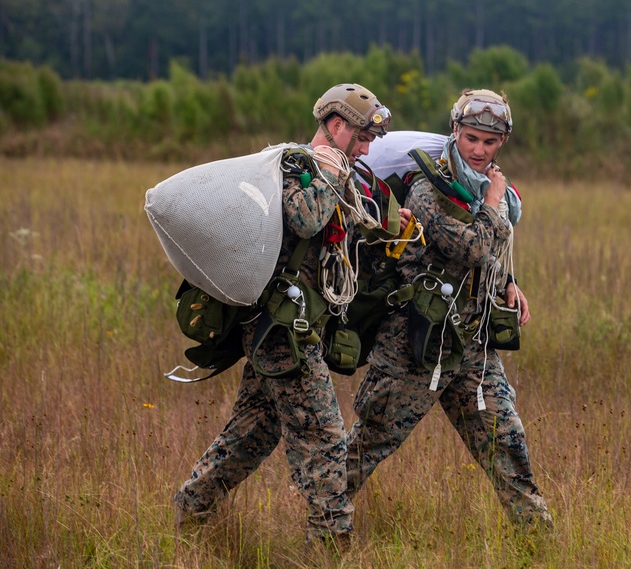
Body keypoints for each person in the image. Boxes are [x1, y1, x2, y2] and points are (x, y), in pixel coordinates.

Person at [173, 83, 409, 551]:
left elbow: (349, 232)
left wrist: (385, 216)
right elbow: (303, 220)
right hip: (282, 329)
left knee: (252, 434)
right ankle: (329, 547)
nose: (365, 148)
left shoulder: (339, 172)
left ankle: (191, 507)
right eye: (361, 137)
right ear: (336, 126)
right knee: (324, 438)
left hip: (298, 327)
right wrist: (327, 171)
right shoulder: (296, 168)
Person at [345, 88, 552, 529]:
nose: (479, 150)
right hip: (417, 343)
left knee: (507, 446)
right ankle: (322, 528)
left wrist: (507, 282)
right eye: (471, 138)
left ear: (502, 143)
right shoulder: (429, 188)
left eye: (489, 142)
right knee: (366, 447)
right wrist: (494, 201)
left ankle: (539, 544)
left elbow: (486, 254)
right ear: (454, 131)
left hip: (473, 346)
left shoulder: (483, 191)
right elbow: (470, 246)